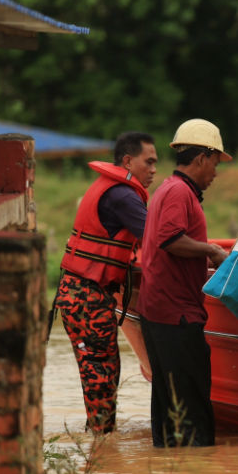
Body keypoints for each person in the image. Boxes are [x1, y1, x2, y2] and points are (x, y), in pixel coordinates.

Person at [54, 131, 158, 434]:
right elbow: (158, 239)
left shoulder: (111, 189)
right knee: (100, 374)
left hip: (81, 294)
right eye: (148, 162)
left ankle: (100, 445)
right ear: (127, 160)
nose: (153, 169)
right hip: (87, 297)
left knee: (100, 374)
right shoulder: (122, 195)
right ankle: (101, 447)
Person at [137, 119, 231, 448]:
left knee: (169, 405)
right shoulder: (178, 192)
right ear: (202, 158)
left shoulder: (168, 188)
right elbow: (170, 240)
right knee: (192, 406)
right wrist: (212, 250)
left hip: (158, 311)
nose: (215, 173)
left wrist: (202, 257)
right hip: (175, 315)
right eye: (215, 163)